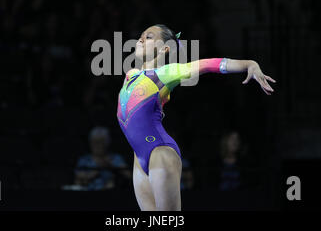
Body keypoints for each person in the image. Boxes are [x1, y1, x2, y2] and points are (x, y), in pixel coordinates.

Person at [117, 24, 276, 211]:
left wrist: (250, 64)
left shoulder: (166, 73)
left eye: (149, 36)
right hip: (138, 157)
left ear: (164, 49)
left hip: (159, 153)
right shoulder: (131, 75)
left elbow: (209, 65)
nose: (141, 39)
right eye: (141, 35)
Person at [73, 126, 130, 190]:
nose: (97, 145)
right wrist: (98, 169)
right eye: (94, 141)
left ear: (107, 142)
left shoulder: (115, 158)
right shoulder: (84, 160)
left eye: (101, 141)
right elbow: (78, 178)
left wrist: (111, 166)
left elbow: (129, 175)